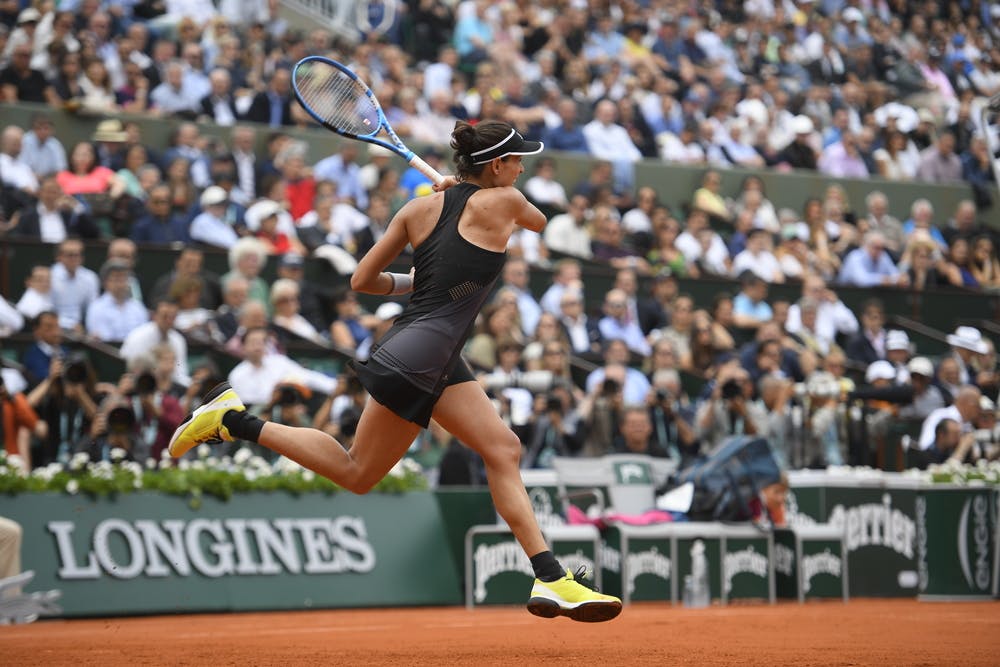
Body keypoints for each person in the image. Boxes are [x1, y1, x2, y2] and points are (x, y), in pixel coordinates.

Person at [168, 120, 621, 622]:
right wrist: (464, 208)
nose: (521, 170)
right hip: (425, 355)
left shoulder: (417, 208)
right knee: (356, 471)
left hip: (425, 349)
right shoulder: (507, 201)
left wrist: (428, 267)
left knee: (502, 447)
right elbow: (540, 222)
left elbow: (363, 280)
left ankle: (551, 576)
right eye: (517, 162)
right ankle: (233, 421)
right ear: (496, 166)